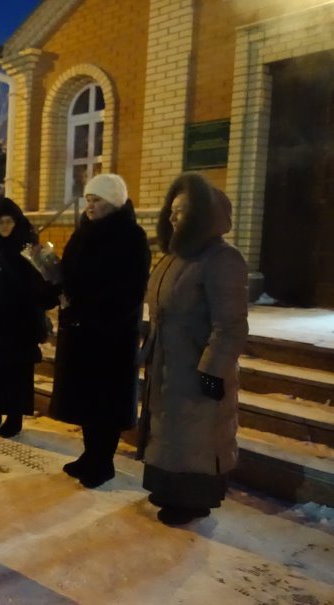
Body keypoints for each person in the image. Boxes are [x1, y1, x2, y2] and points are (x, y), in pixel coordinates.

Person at [138, 172, 248, 526]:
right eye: (170, 211)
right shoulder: (175, 256)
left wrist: (212, 373)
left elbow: (230, 326)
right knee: (170, 430)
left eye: (181, 211)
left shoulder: (221, 259)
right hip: (167, 363)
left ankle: (194, 500)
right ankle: (169, 489)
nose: (172, 217)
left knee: (197, 433)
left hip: (198, 366)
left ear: (200, 215)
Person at [49, 173, 151, 488]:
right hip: (80, 331)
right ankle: (89, 454)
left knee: (104, 402)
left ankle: (103, 461)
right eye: (88, 200)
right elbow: (71, 275)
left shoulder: (131, 237)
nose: (90, 206)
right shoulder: (83, 233)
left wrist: (88, 307)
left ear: (114, 203)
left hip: (110, 335)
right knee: (85, 399)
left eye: (97, 201)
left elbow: (130, 290)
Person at [0, 198, 60, 438]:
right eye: (0, 222)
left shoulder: (32, 249)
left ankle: (14, 417)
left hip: (20, 324)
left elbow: (54, 281)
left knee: (16, 373)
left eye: (9, 221)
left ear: (18, 223)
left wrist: (43, 297)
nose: (4, 226)